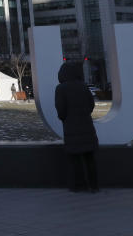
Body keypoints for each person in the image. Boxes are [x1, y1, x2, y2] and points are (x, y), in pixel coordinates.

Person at [55, 61, 99, 193]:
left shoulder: (61, 89)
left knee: (75, 159)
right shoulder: (83, 87)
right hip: (87, 127)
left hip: (71, 128)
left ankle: (79, 186)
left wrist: (66, 118)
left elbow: (61, 110)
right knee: (89, 159)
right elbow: (91, 105)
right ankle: (94, 186)